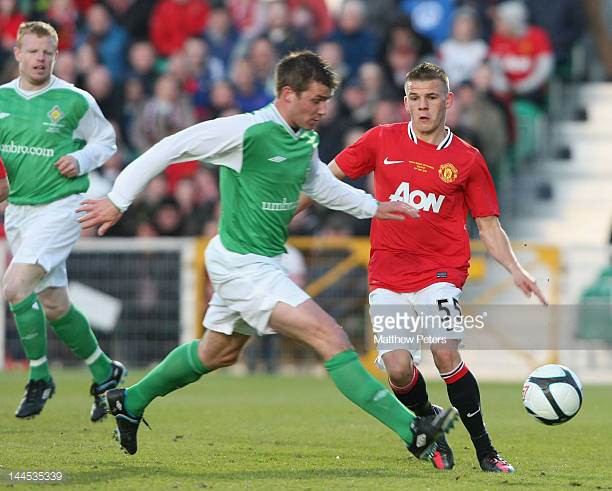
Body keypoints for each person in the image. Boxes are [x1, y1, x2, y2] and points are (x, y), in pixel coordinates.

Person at [78, 50, 458, 458]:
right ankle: (412, 431)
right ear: (287, 94)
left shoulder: (304, 139)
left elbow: (318, 185)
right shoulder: (247, 131)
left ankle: (129, 403)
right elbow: (170, 147)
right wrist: (118, 199)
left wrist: (373, 207)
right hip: (243, 265)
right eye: (316, 100)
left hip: (256, 261)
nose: (322, 110)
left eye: (327, 101)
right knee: (330, 336)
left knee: (217, 351)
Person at [321, 62, 547, 473]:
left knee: (445, 352)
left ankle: (486, 451)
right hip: (387, 273)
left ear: (448, 100)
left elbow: (488, 225)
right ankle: (428, 419)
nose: (423, 106)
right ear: (405, 102)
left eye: (432, 97)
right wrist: (286, 212)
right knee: (398, 369)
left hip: (441, 272)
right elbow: (325, 178)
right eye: (415, 98)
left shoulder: (467, 159)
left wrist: (517, 270)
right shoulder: (381, 140)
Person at [0, 21, 126, 421]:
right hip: (19, 212)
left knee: (15, 286)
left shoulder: (73, 100)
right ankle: (106, 372)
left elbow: (105, 140)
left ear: (56, 55)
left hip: (61, 207)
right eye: (33, 51)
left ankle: (39, 377)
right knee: (54, 305)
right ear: (18, 53)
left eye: (48, 53)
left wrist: (81, 159)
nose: (40, 59)